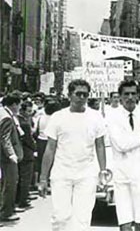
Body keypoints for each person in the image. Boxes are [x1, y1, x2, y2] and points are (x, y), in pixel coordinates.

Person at [38, 79, 108, 231]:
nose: (82, 97)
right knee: (61, 216)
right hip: (62, 173)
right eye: (78, 94)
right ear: (70, 95)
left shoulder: (96, 117)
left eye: (85, 94)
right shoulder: (58, 117)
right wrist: (43, 178)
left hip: (86, 173)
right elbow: (50, 149)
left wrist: (103, 170)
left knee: (82, 218)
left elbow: (100, 145)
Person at [105, 80, 140, 231]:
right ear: (120, 97)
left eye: (133, 93)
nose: (130, 97)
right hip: (122, 174)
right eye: (126, 94)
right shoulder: (113, 118)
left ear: (138, 96)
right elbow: (121, 145)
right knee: (125, 222)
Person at [0, 92, 24, 222]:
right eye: (19, 105)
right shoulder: (7, 118)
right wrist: (11, 154)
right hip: (6, 158)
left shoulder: (3, 112)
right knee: (10, 183)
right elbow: (5, 138)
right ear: (14, 104)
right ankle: (6, 212)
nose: (20, 107)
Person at [16, 101, 37, 209]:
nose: (30, 113)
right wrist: (34, 148)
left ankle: (18, 198)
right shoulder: (24, 123)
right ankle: (23, 200)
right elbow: (28, 139)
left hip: (19, 151)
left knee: (20, 176)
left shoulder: (17, 120)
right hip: (27, 152)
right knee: (26, 178)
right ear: (22, 111)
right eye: (28, 111)